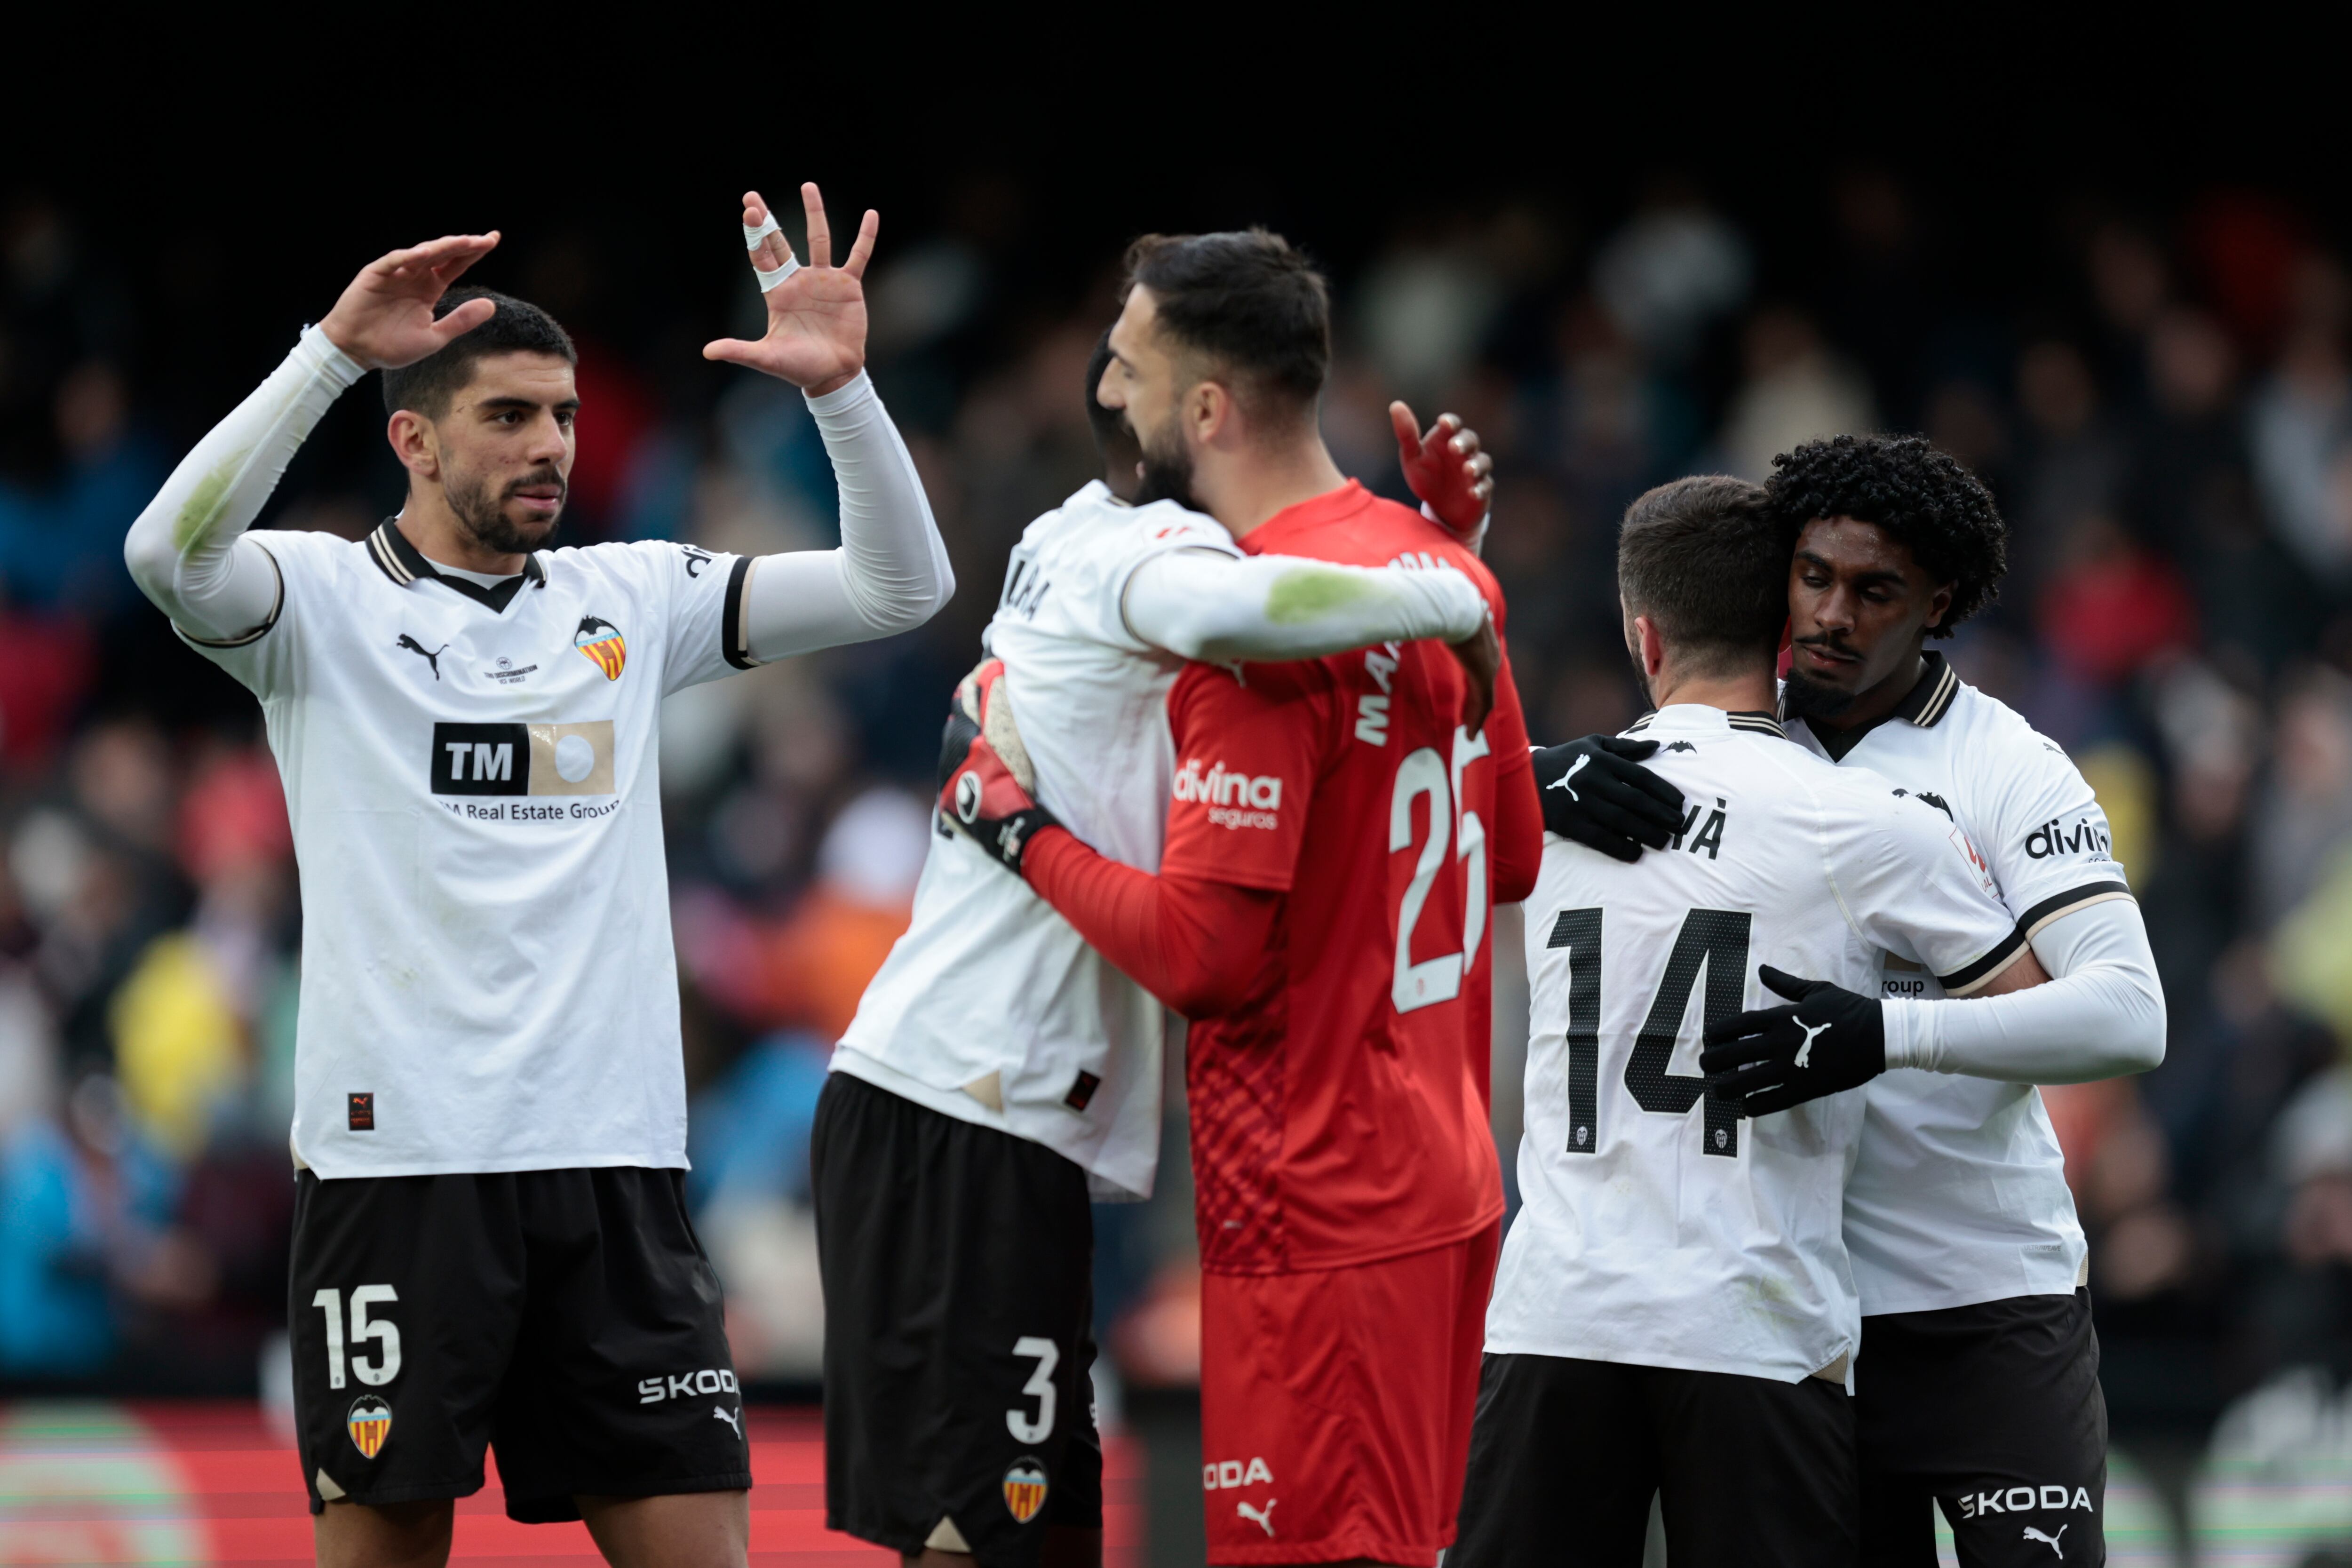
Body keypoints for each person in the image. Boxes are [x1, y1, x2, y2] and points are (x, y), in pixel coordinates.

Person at [121, 185, 951, 1568]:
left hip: (615, 1171)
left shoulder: (633, 597)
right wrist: (329, 348)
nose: (549, 445)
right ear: (413, 437)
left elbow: (899, 586)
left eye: (561, 414)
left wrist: (844, 396)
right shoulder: (317, 605)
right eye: (508, 415)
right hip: (403, 1171)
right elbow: (166, 553)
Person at [814, 324, 1499, 1568]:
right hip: (972, 1097)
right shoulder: (1150, 551)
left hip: (1003, 1107)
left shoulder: (1058, 535)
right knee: (989, 1541)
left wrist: (1437, 544)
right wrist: (1446, 584)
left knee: (1044, 1534)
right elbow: (1248, 603)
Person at [1539, 434, 2168, 1566]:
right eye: (1814, 578)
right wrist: (1533, 774)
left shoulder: (2007, 769)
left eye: (1875, 591)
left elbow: (2129, 1013)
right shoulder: (1735, 732)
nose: (1830, 615)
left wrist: (1887, 1032)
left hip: (1991, 1297)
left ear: (1939, 605)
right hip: (1812, 1312)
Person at [1454, 474, 2045, 1568]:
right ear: (1786, 626)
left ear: (1643, 633)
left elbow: (1362, 836)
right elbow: (2032, 1019)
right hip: (1756, 1327)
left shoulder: (1541, 810)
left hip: (1555, 1319)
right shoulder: (1864, 821)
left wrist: (1512, 779)